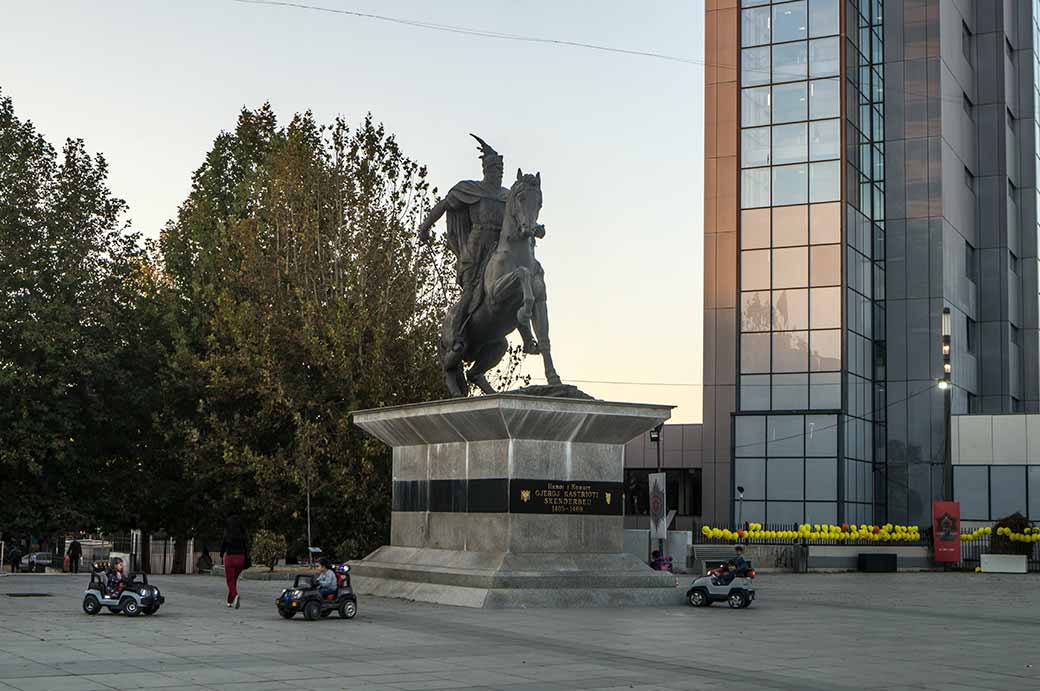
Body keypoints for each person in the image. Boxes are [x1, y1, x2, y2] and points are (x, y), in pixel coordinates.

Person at [416, 134, 509, 368]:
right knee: (469, 292)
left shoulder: (507, 196)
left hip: (500, 248)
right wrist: (425, 226)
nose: (498, 173)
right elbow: (444, 204)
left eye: (500, 169)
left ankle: (526, 332)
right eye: (494, 169)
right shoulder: (471, 190)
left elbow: (520, 218)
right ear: (486, 170)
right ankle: (457, 336)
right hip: (476, 248)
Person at [220, 514, 249, 609]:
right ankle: (230, 601)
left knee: (230, 580)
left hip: (230, 558)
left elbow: (223, 546)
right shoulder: (243, 534)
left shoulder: (227, 533)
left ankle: (235, 595)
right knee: (234, 580)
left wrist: (221, 555)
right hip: (241, 558)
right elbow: (246, 547)